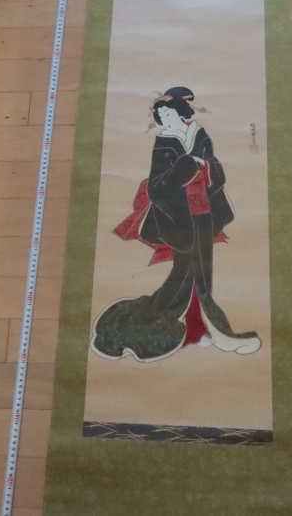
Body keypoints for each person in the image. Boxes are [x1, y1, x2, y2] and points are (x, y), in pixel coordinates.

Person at [91, 87, 261, 362]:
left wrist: (204, 166)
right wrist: (185, 165)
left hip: (204, 212)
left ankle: (196, 329)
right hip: (178, 217)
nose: (165, 119)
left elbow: (217, 171)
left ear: (181, 113)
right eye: (161, 115)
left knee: (200, 273)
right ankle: (208, 331)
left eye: (169, 113)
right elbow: (156, 188)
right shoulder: (164, 144)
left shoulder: (199, 135)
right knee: (188, 273)